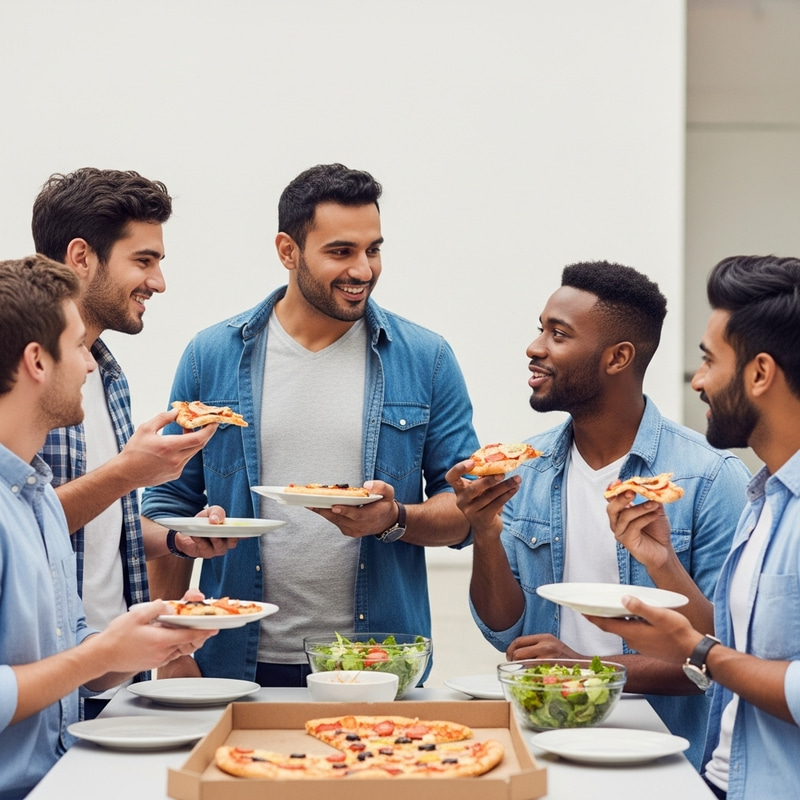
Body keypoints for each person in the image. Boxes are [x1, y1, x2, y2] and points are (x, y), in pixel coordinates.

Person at [141, 163, 479, 686]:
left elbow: (466, 509)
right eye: (341, 251)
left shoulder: (427, 359)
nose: (363, 270)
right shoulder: (210, 356)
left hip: (377, 667)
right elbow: (167, 508)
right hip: (232, 665)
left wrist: (395, 519)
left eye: (374, 249)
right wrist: (168, 651)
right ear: (287, 251)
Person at [445, 261, 751, 768]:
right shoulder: (528, 468)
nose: (535, 347)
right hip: (547, 736)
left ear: (618, 358)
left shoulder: (712, 478)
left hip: (665, 755)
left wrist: (586, 668)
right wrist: (485, 533)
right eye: (540, 329)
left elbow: (721, 655)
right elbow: (506, 631)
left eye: (558, 334)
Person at [0, 255, 216, 800]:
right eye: (78, 347)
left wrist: (143, 643)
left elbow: (74, 662)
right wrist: (99, 654)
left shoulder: (38, 500)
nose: (90, 366)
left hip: (63, 776)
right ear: (36, 361)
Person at [592, 255, 800, 800]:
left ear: (759, 373)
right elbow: (736, 648)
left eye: (709, 360)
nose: (699, 380)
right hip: (719, 777)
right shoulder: (765, 499)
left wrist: (694, 650)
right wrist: (662, 563)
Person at [31, 168, 232, 717]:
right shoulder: (28, 384)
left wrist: (174, 541)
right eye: (144, 261)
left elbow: (93, 521)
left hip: (107, 680)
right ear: (82, 257)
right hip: (44, 689)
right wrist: (129, 472)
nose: (159, 281)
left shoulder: (106, 375)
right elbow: (22, 528)